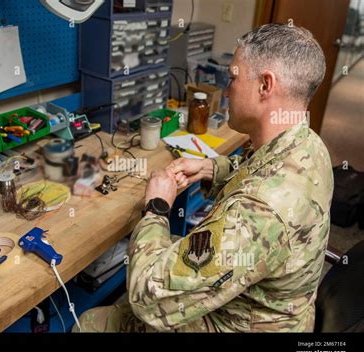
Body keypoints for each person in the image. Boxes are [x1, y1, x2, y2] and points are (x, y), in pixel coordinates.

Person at [77, 23, 333, 332]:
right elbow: (261, 173)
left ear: (266, 85)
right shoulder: (307, 143)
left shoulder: (260, 212)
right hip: (270, 303)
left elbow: (147, 295)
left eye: (234, 77)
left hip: (241, 323)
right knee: (170, 250)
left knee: (92, 322)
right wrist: (211, 168)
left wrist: (157, 208)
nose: (225, 91)